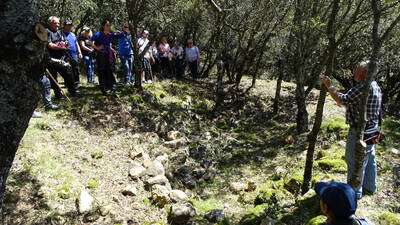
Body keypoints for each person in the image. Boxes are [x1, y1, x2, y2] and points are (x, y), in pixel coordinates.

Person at [320, 61, 382, 199]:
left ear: (364, 73)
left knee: (354, 160)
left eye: (357, 69)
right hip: (373, 129)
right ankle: (370, 187)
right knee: (369, 158)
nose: (354, 71)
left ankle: (354, 193)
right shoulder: (375, 85)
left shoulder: (363, 88)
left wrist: (329, 86)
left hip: (360, 131)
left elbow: (342, 99)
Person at [46, 16, 77, 98]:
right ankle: (58, 94)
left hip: (61, 57)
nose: (58, 25)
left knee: (68, 73)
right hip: (51, 59)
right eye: (56, 23)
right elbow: (49, 45)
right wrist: (59, 46)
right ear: (51, 22)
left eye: (58, 23)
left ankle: (73, 92)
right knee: (53, 78)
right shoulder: (47, 32)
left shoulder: (60, 32)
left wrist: (65, 44)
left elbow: (64, 41)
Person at [91, 19, 118, 95]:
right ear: (103, 26)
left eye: (109, 25)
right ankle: (103, 89)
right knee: (101, 71)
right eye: (107, 25)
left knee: (109, 69)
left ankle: (111, 86)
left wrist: (112, 50)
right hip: (101, 55)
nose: (108, 26)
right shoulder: (98, 34)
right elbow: (91, 42)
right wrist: (97, 48)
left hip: (108, 55)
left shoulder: (109, 34)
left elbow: (109, 44)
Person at [62, 19, 82, 87]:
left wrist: (79, 53)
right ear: (64, 25)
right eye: (68, 25)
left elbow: (76, 44)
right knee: (66, 69)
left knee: (75, 68)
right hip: (65, 54)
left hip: (74, 54)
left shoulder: (73, 34)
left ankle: (77, 82)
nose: (69, 26)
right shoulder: (60, 34)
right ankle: (68, 83)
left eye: (70, 25)